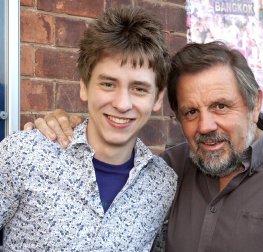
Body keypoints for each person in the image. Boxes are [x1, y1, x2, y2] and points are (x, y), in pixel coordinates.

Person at [25, 42, 263, 251]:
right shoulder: (169, 171)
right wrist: (65, 126)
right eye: (191, 112)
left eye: (220, 106)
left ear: (254, 105)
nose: (205, 126)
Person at [0, 6, 177, 251]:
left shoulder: (163, 185)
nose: (122, 104)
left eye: (139, 88)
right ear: (84, 87)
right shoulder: (23, 154)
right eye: (107, 84)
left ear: (157, 99)